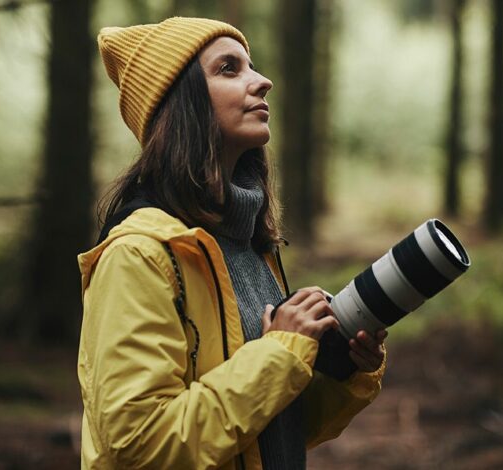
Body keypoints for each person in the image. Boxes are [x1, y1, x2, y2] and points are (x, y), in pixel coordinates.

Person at [77, 17, 388, 470]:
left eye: (252, 67)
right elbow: (139, 445)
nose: (263, 82)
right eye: (229, 68)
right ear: (180, 104)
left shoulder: (250, 244)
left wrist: (342, 369)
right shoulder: (140, 254)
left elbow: (269, 431)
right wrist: (281, 353)